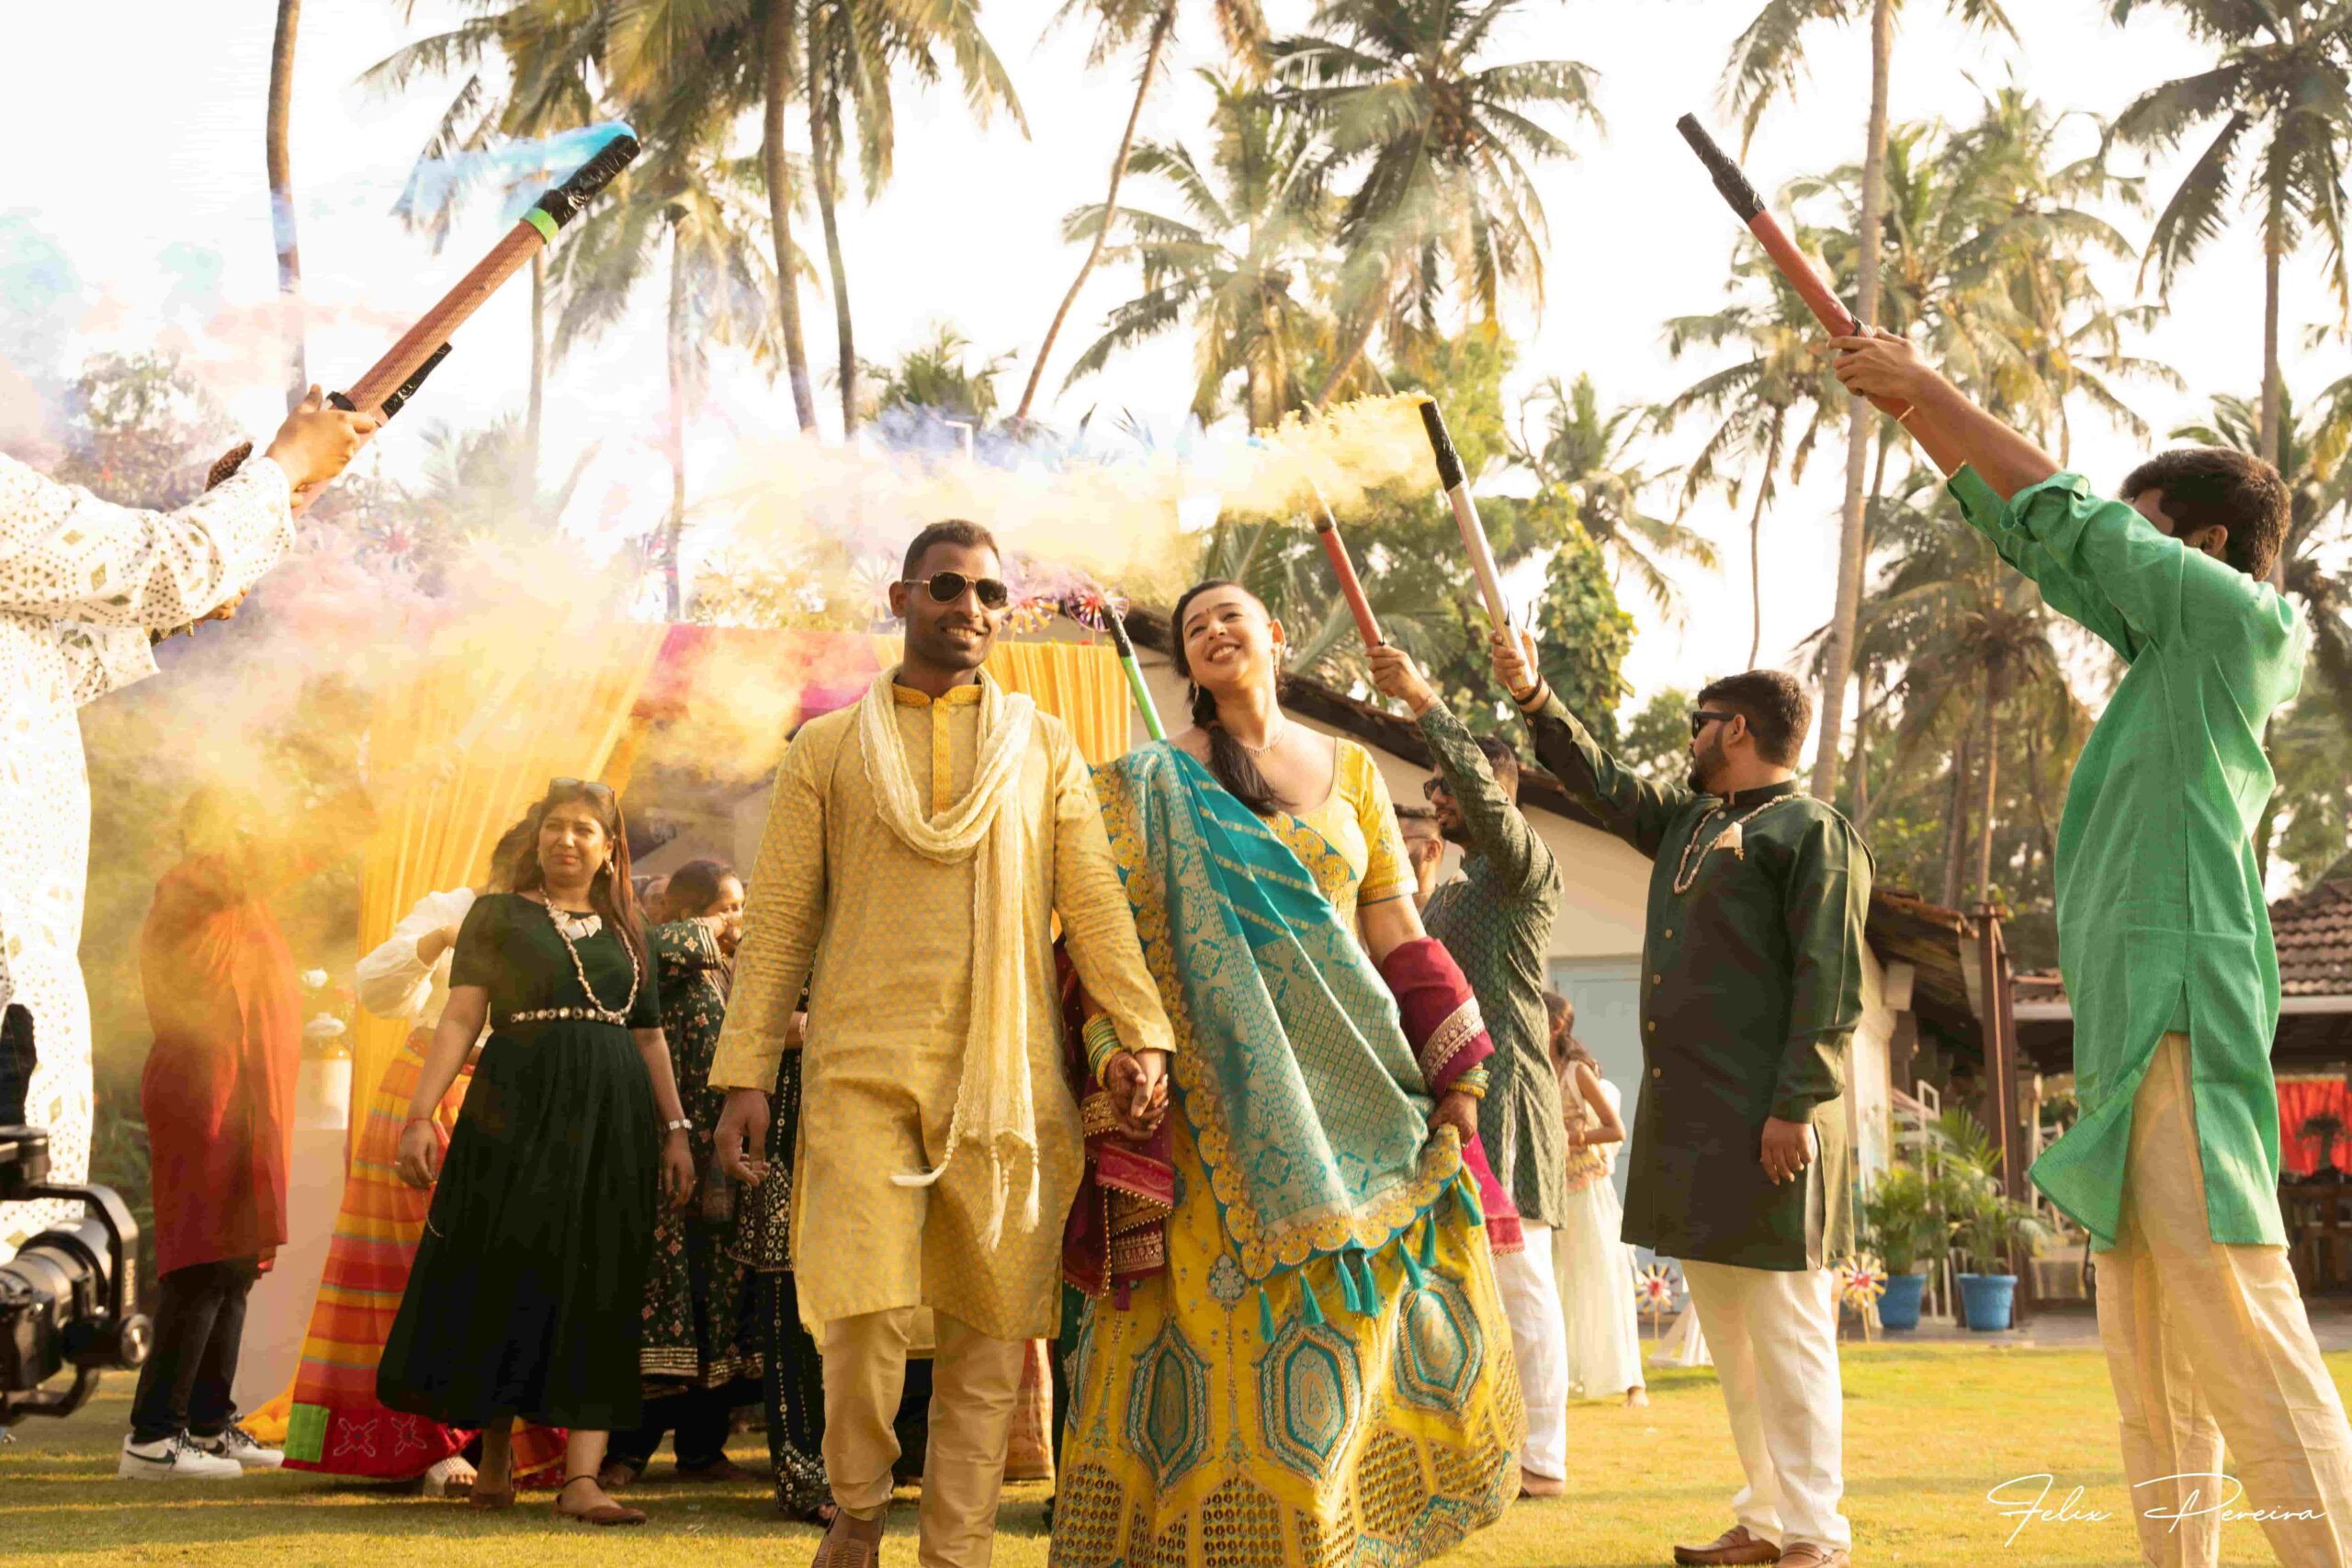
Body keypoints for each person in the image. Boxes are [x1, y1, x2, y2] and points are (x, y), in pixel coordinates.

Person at [1834, 329, 2352, 1567]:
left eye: (2147, 530)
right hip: (2136, 1015)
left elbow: (2075, 522)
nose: (2111, 560)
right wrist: (1921, 419)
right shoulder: (2173, 650)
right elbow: (2046, 539)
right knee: (2154, 1341)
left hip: (2180, 999)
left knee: (2233, 1304)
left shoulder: (2236, 623)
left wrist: (1937, 385)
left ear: (2206, 545)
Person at [707, 520, 1175, 1568]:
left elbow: (1091, 901)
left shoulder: (1044, 743)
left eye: (989, 594)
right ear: (900, 596)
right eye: (948, 587)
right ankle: (860, 1507)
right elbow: (780, 916)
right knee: (860, 1315)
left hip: (1007, 1076)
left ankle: (956, 1550)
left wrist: (1139, 1029)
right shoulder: (827, 748)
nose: (970, 608)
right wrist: (744, 1070)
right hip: (861, 1066)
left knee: (986, 1334)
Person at [1053, 580, 1523, 1568]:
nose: (1217, 632)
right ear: (1184, 666)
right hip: (1213, 1116)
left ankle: (1327, 1537)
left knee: (1348, 1330)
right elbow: (1100, 939)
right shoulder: (1142, 781)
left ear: (1273, 636)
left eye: (1232, 616)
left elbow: (1395, 930)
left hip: (1354, 1089)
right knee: (1217, 1334)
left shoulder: (1351, 771)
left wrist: (1457, 1068)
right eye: (1194, 629)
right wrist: (1116, 1050)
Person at [1495, 634, 1870, 1568]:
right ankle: (1765, 1520)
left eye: (1699, 724)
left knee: (1788, 1335)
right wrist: (1537, 697)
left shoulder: (1810, 832)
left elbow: (1829, 984)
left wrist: (1795, 1105)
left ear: (1735, 728)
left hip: (1773, 1125)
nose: (1688, 739)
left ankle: (1817, 1536)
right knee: (1732, 1345)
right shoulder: (1691, 823)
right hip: (1695, 1127)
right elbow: (1605, 783)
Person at [0, 389, 374, 1253]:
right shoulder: (201, 882)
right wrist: (283, 468)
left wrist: (245, 524)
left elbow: (48, 668)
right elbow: (167, 562)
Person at [376, 780, 698, 1527]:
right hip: (513, 1104)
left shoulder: (631, 929)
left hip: (615, 1116)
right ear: (538, 837)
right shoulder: (497, 915)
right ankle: (495, 1457)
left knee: (603, 1273)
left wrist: (676, 1129)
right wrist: (419, 1114)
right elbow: (461, 1016)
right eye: (556, 826)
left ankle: (582, 1479)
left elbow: (649, 1037)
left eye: (585, 829)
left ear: (609, 846)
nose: (567, 840)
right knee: (507, 1263)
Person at [281, 817, 564, 1491]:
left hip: (523, 1098)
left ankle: (519, 1447)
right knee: (415, 1267)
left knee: (514, 1269)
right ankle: (431, 1443)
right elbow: (380, 990)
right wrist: (441, 940)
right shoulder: (454, 908)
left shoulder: (573, 928)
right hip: (429, 1095)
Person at [1370, 644, 1567, 1499]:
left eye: (1451, 786)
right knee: (1462, 1274)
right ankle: (1481, 1442)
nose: (1439, 799)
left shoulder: (1526, 871)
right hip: (1449, 1102)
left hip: (1513, 1096)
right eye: (1436, 787)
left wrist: (1421, 696)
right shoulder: (1450, 894)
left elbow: (1484, 801)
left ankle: (1543, 1456)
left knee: (1523, 1276)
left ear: (1494, 794)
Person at [119, 785, 358, 1482]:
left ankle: (206, 1423)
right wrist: (366, 799)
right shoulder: (191, 883)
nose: (256, 831)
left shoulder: (242, 906)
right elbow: (286, 854)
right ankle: (152, 1437)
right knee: (202, 1260)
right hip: (205, 1092)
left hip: (246, 1097)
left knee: (234, 1262)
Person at [603, 858, 765, 1490]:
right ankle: (627, 1452)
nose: (737, 919)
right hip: (666, 1157)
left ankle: (703, 1449)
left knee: (717, 1303)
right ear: (684, 909)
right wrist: (711, 928)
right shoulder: (656, 953)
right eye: (726, 906)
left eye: (739, 906)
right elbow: (648, 946)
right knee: (661, 1304)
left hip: (719, 1160)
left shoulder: (727, 972)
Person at [1544, 992, 1646, 1409]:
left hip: (1586, 1188)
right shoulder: (1532, 1068)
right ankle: (1558, 1377)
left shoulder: (1576, 1073)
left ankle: (1632, 1383)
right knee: (1552, 1282)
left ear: (1555, 1027)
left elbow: (1616, 1129)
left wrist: (1572, 1137)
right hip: (1548, 1189)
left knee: (1602, 1275)